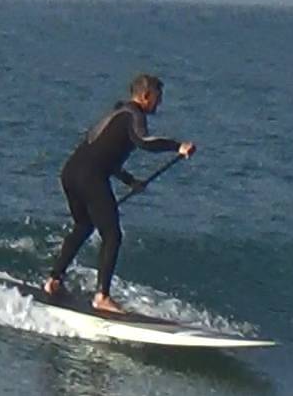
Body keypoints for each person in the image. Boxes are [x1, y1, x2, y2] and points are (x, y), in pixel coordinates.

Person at [44, 74, 195, 313]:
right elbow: (144, 141)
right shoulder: (134, 114)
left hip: (70, 173)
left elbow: (104, 155)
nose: (159, 103)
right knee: (112, 235)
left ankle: (53, 280)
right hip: (91, 177)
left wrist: (130, 180)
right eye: (158, 98)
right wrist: (178, 146)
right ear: (145, 96)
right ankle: (102, 297)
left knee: (84, 226)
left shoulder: (116, 114)